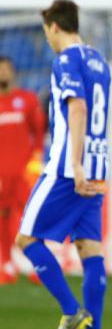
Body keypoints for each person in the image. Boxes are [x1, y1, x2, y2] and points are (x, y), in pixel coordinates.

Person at [14, 0, 111, 329]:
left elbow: (79, 106)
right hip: (99, 165)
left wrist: (77, 163)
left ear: (54, 26)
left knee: (26, 240)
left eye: (46, 32)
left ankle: (72, 312)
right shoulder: (99, 60)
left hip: (69, 168)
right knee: (89, 247)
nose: (48, 39)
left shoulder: (66, 59)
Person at [0, 56, 46, 285]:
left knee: (31, 217)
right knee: (3, 216)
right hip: (1, 173)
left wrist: (37, 158)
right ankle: (7, 265)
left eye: (6, 69)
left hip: (24, 171)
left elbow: (38, 132)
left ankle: (38, 265)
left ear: (13, 72)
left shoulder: (27, 100)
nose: (3, 74)